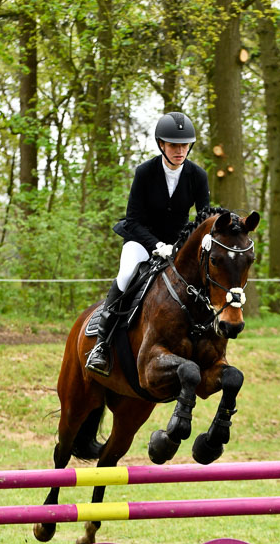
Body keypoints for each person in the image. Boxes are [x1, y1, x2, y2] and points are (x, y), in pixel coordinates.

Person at [86, 111, 210, 376]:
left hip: (177, 244)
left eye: (185, 145)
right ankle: (101, 345)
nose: (180, 151)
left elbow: (203, 218)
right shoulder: (145, 172)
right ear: (161, 144)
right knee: (126, 275)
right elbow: (133, 220)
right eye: (174, 145)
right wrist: (156, 245)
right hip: (141, 240)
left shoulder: (197, 176)